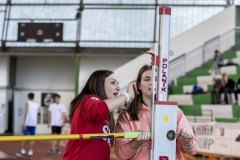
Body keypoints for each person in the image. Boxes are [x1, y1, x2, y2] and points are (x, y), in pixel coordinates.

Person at [114, 65, 198, 160]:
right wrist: (135, 143)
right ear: (139, 86)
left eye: (156, 79)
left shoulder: (175, 112)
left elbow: (193, 150)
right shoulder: (126, 116)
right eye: (147, 79)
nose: (152, 83)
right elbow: (120, 154)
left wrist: (188, 141)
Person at [63, 70, 134, 160]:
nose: (118, 87)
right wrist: (127, 96)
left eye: (118, 83)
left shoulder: (105, 111)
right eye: (113, 83)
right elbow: (98, 109)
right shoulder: (90, 99)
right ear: (99, 84)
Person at [16, 92, 39, 157]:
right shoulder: (36, 104)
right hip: (34, 123)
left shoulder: (27, 103)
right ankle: (30, 152)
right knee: (32, 137)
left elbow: (26, 113)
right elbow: (37, 114)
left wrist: (24, 122)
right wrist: (36, 122)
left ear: (28, 97)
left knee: (24, 137)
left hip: (28, 123)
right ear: (33, 97)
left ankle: (23, 151)